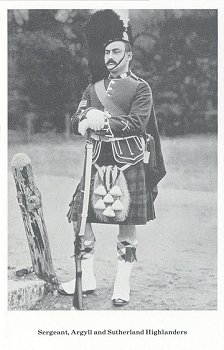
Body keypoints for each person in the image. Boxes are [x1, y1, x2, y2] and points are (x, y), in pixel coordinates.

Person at [58, 10, 166, 307]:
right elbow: (80, 113)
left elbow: (137, 123)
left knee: (126, 220)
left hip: (128, 161)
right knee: (78, 217)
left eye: (116, 51)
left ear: (128, 55)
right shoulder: (93, 88)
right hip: (95, 159)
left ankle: (122, 283)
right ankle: (87, 276)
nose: (110, 56)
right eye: (106, 51)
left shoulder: (141, 88)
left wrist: (101, 121)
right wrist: (83, 120)